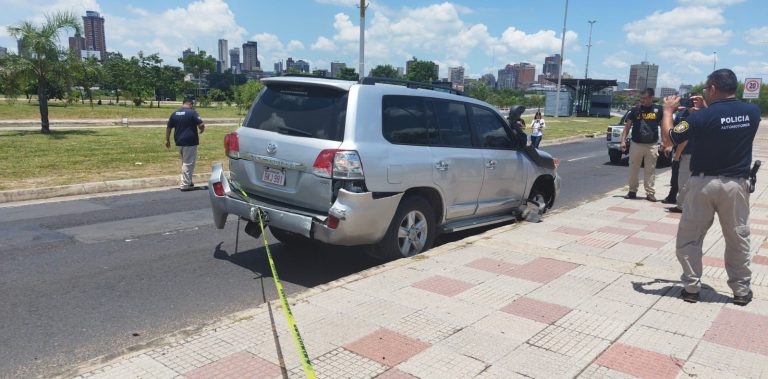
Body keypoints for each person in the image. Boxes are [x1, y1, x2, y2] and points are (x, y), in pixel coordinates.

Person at [661, 69, 760, 306]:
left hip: (703, 184)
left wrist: (668, 111)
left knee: (690, 238)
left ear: (713, 88)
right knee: (738, 238)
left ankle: (692, 288)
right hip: (736, 185)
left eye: (706, 89)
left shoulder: (699, 118)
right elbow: (723, 122)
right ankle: (741, 290)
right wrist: (707, 107)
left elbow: (668, 138)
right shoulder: (752, 113)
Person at [621, 88, 663, 201]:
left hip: (652, 145)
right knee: (633, 168)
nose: (642, 100)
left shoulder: (658, 110)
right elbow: (627, 126)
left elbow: (663, 126)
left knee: (650, 170)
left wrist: (664, 141)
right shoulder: (635, 110)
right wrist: (623, 141)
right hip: (636, 144)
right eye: (641, 98)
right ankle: (632, 191)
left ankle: (650, 193)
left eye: (645, 98)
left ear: (651, 98)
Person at [166, 96, 205, 191]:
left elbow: (169, 127)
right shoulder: (192, 112)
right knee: (188, 163)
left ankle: (188, 181)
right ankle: (185, 185)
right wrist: (202, 130)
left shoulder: (174, 113)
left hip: (179, 141)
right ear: (190, 104)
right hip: (190, 141)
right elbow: (201, 124)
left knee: (184, 162)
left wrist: (167, 140)